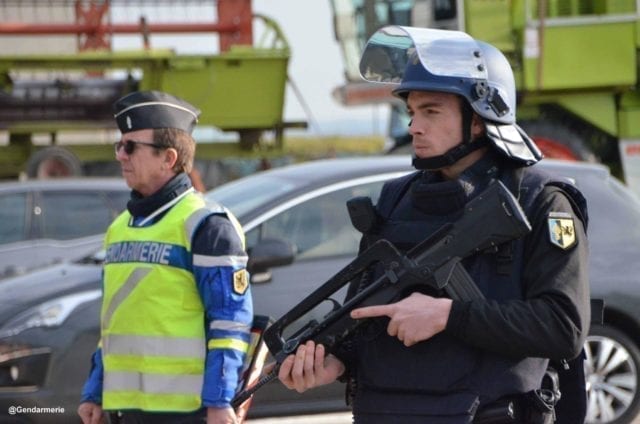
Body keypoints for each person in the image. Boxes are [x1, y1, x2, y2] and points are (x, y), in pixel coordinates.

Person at [277, 27, 590, 423]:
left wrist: (448, 316)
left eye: (431, 111)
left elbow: (563, 327)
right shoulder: (396, 199)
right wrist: (336, 361)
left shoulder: (540, 201)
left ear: (479, 118)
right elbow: (367, 311)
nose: (414, 127)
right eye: (412, 112)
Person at [77, 90, 253, 424]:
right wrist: (94, 391)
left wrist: (219, 401)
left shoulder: (207, 225)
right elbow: (114, 323)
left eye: (131, 146)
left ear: (168, 158)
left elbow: (230, 322)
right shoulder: (119, 228)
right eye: (119, 145)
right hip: (124, 410)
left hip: (188, 413)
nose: (120, 155)